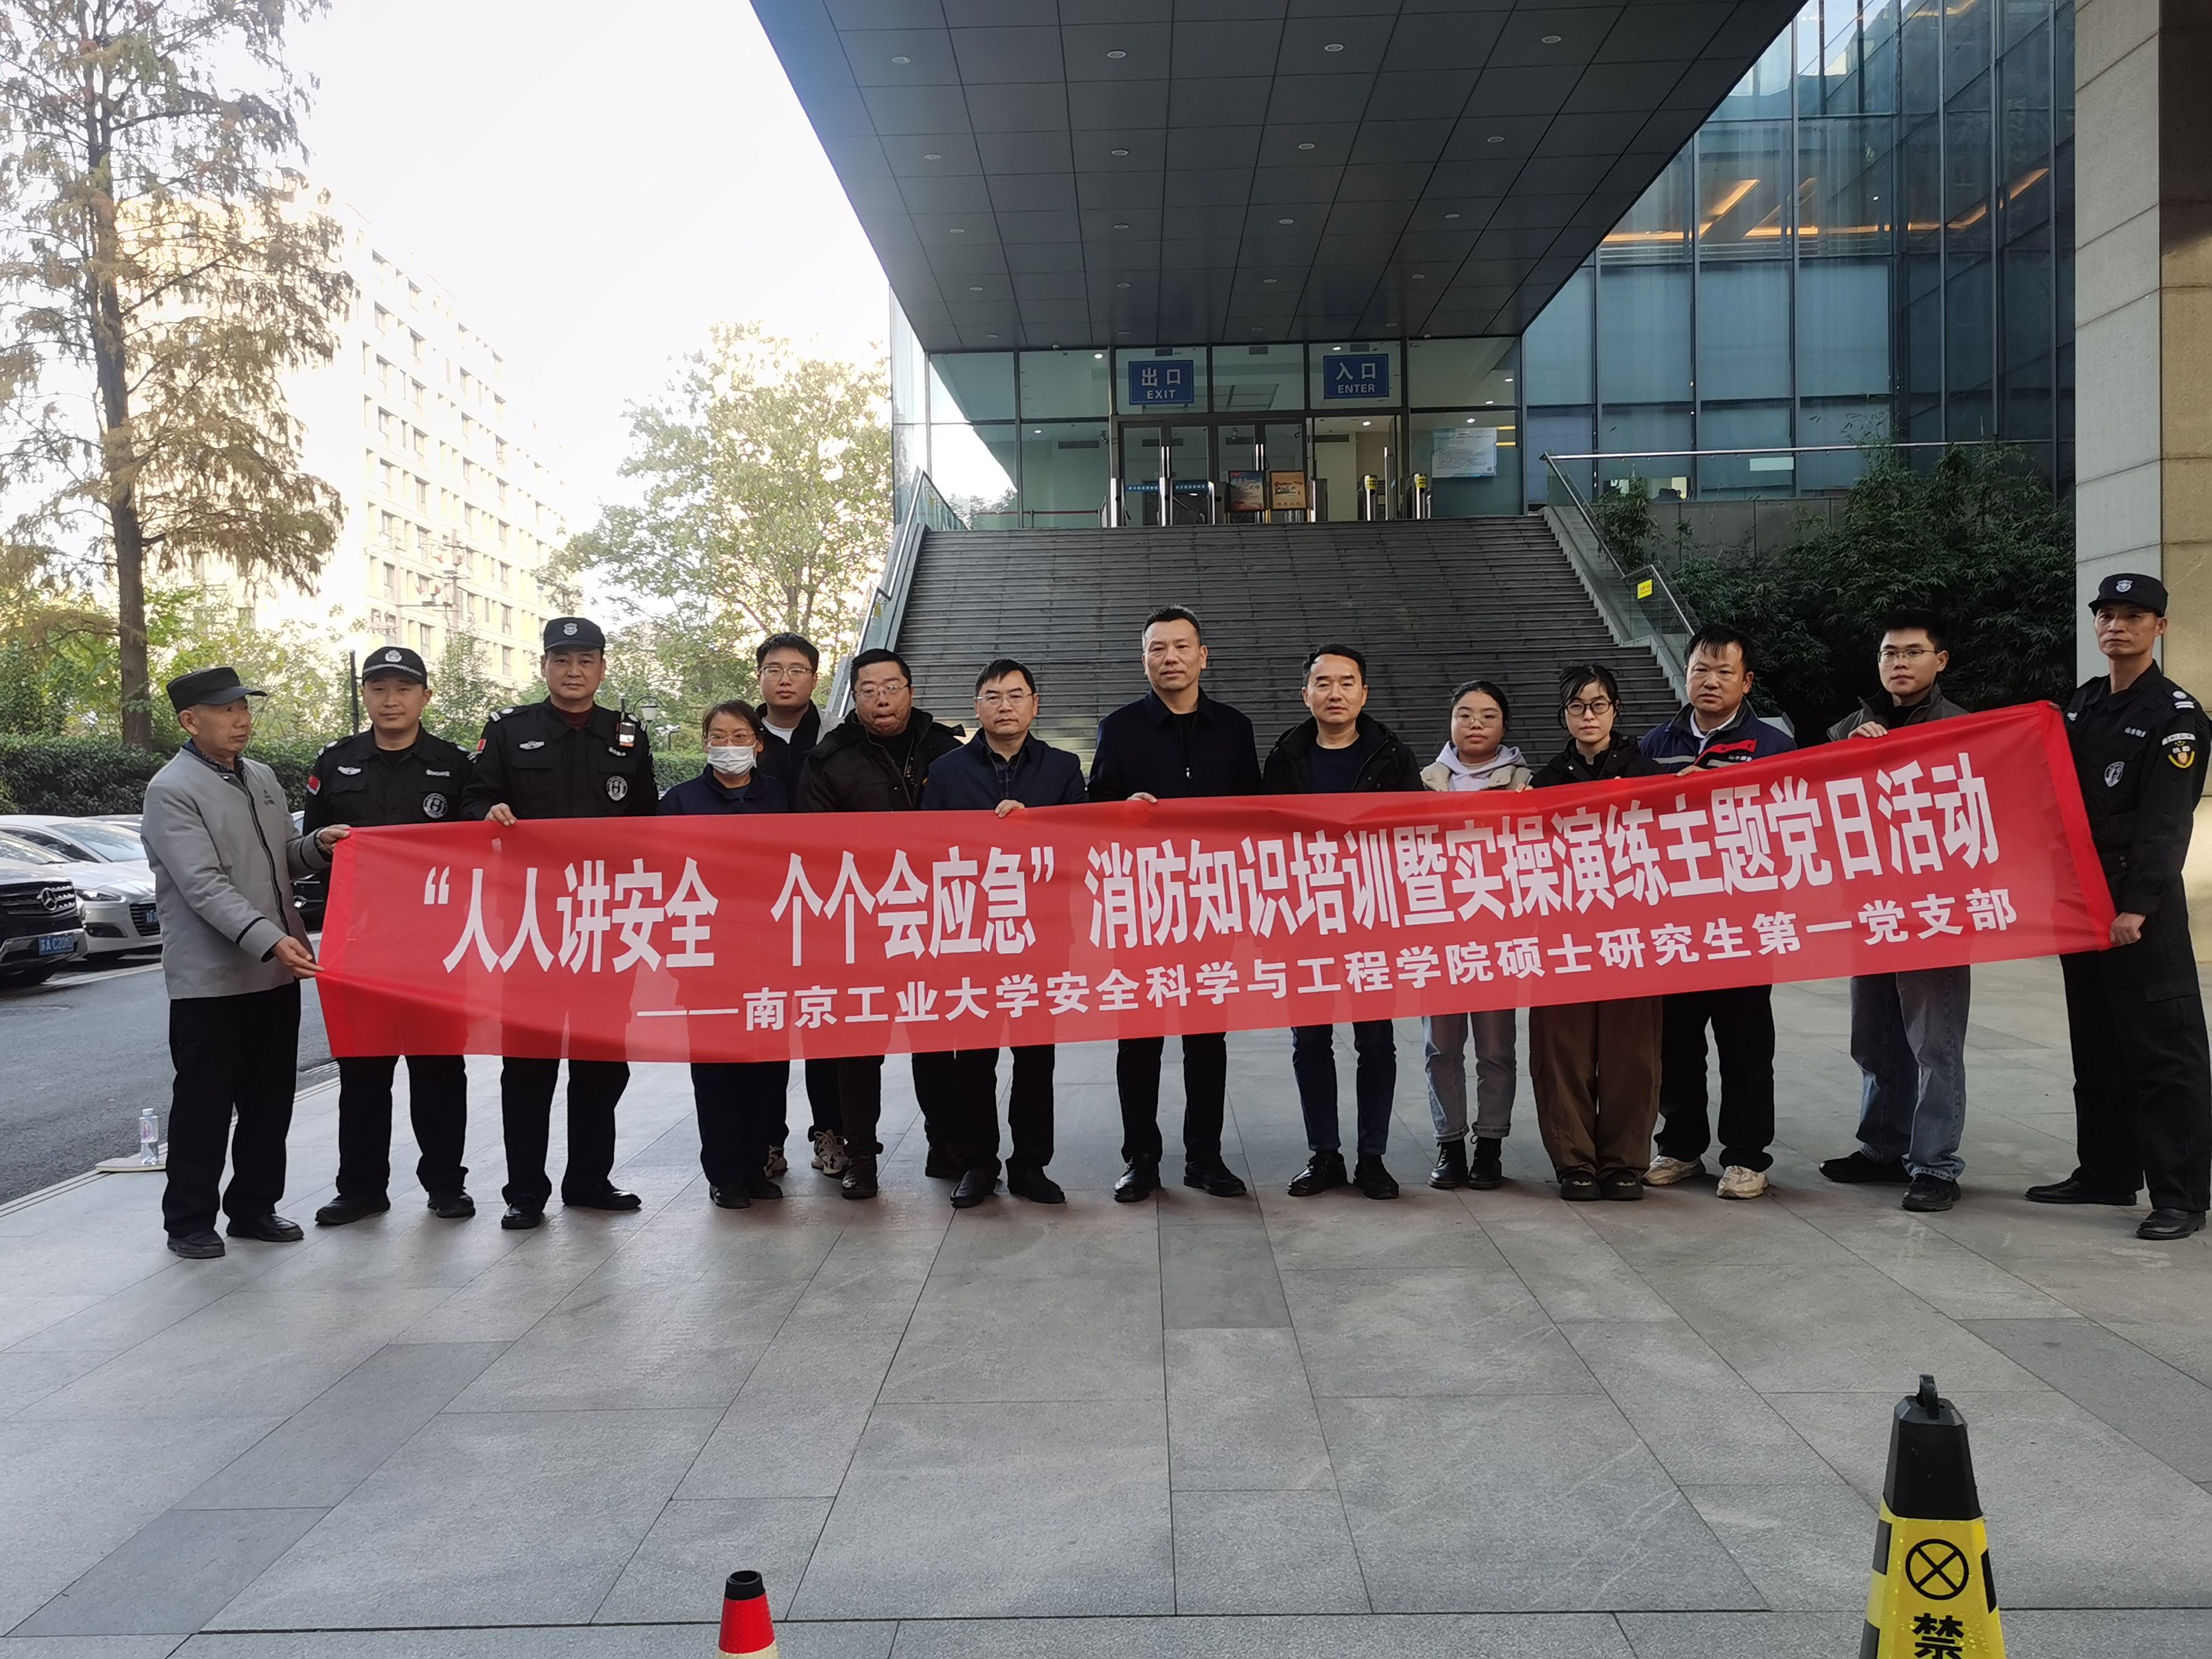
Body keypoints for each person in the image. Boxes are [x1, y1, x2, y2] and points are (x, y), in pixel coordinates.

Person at [2028, 574, 2212, 1241]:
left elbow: (2167, 823)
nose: (2117, 626)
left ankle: (2182, 1197)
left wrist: (2138, 906)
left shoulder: (2176, 716)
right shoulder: (2084, 703)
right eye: (2107, 614)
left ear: (2159, 627)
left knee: (2165, 1050)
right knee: (2098, 1042)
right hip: (2080, 899)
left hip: (2139, 906)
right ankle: (2106, 1172)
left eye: (2134, 616)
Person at [142, 667, 348, 1258]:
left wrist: (317, 847)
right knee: (204, 1104)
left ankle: (254, 1208)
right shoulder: (171, 789)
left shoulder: (260, 777)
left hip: (274, 970)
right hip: (211, 980)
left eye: (244, 708)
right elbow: (202, 885)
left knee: (269, 1100)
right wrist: (270, 938)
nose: (241, 721)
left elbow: (282, 858)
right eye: (226, 710)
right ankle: (188, 1222)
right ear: (190, 720)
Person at [461, 617, 658, 1230]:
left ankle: (590, 1180)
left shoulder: (628, 736)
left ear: (602, 668)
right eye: (562, 659)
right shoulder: (508, 731)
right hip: (532, 928)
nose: (574, 671)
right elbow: (472, 800)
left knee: (602, 1061)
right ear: (544, 666)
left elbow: (648, 824)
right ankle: (525, 1191)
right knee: (528, 1063)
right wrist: (487, 810)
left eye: (586, 660)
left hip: (605, 925)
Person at [1089, 605, 1264, 1203]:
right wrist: (1121, 811)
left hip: (1212, 906)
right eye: (1158, 648)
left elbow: (1253, 815)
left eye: (1182, 647)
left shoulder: (1235, 728)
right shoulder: (1118, 728)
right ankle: (1140, 1158)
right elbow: (1094, 809)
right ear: (1144, 659)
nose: (1171, 658)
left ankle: (1204, 1157)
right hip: (1142, 906)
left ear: (1202, 656)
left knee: (1206, 1039)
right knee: (1138, 1038)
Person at [303, 646, 475, 1226]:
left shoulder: (455, 765)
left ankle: (446, 1185)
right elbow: (312, 850)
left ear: (425, 697)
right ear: (365, 696)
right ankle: (360, 1189)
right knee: (363, 1070)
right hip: (360, 943)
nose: (391, 700)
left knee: (439, 1070)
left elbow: (479, 854)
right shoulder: (336, 763)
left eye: (403, 689)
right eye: (378, 689)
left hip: (436, 946)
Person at [1818, 611, 1976, 1213]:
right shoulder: (1849, 729)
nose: (1900, 663)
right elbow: (1822, 811)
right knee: (1875, 1035)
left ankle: (1934, 1163)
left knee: (1934, 1042)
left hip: (1935, 910)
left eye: (1913, 652)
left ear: (1941, 660)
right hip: (1870, 907)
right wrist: (1848, 758)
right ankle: (1883, 1146)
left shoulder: (1965, 730)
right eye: (1890, 653)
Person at [796, 647, 964, 1199]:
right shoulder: (829, 759)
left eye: (891, 687)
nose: (881, 699)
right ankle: (861, 1156)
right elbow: (815, 848)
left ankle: (945, 1144)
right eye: (868, 690)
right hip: (861, 925)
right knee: (859, 1045)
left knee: (936, 1039)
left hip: (935, 922)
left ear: (910, 690)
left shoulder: (947, 750)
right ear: (855, 696)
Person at [919, 658, 1088, 1207]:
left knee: (1036, 1057)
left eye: (1016, 695)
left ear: (1035, 705)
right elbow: (927, 850)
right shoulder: (947, 771)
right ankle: (977, 1162)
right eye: (993, 696)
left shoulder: (1063, 767)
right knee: (974, 1057)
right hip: (971, 933)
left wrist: (1033, 825)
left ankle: (1031, 1165)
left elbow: (1081, 844)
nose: (1005, 706)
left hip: (1042, 933)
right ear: (977, 708)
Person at [1640, 623, 1795, 1199]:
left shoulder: (1773, 747)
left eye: (1724, 671)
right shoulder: (1654, 746)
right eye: (1699, 670)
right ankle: (1681, 1147)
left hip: (1743, 924)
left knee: (1745, 1046)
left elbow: (1791, 826)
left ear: (1746, 681)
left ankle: (1747, 1157)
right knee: (1677, 1045)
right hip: (1675, 924)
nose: (1710, 681)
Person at [1262, 644, 1423, 1199]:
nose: (1335, 693)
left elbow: (1415, 834)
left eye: (1347, 682)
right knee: (1310, 1042)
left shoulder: (1392, 756)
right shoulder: (1284, 758)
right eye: (1323, 683)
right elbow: (1263, 839)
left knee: (1376, 1041)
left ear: (1364, 693)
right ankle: (1324, 1154)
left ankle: (1372, 1158)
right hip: (1305, 921)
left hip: (1372, 919)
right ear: (1305, 693)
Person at [1526, 665, 1666, 1201]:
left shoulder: (1647, 774)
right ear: (1563, 715)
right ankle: (1575, 1161)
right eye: (1577, 706)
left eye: (1599, 704)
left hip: (1631, 932)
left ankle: (1624, 1162)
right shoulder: (1543, 783)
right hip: (1562, 933)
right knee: (1563, 1050)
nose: (1589, 715)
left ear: (1615, 710)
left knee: (1633, 1051)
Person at [660, 700, 791, 1209]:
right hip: (705, 956)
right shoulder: (681, 802)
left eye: (740, 737)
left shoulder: (781, 797)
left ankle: (757, 1165)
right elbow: (664, 876)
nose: (729, 746)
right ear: (705, 743)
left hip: (769, 954)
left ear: (758, 743)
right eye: (719, 736)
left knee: (765, 1069)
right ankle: (724, 1174)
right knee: (715, 1072)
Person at [1418, 678, 1529, 1190]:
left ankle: (1490, 1145)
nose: (1476, 724)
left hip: (1497, 934)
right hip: (1439, 934)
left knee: (1495, 1048)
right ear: (1451, 722)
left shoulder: (1527, 784)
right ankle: (1449, 1144)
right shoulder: (1424, 783)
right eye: (1465, 714)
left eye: (1488, 715)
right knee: (1441, 1047)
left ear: (1504, 724)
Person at [751, 631, 843, 1181]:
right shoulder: (740, 734)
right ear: (760, 676)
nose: (785, 679)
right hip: (756, 909)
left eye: (797, 670)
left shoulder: (838, 735)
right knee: (765, 1023)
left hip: (825, 904)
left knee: (823, 1022)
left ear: (815, 677)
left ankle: (830, 1133)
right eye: (774, 669)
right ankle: (767, 1139)